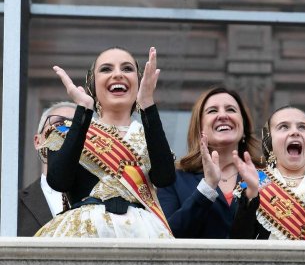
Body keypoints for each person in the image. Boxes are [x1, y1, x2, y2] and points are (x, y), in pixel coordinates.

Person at [35, 46, 175, 238]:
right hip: (84, 234)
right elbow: (59, 181)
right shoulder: (68, 132)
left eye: (127, 69)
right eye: (106, 69)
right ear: (93, 84)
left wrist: (147, 104)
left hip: (140, 233)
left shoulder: (149, 135)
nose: (118, 74)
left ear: (138, 81)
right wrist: (83, 110)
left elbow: (165, 178)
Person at [231, 106, 305, 240]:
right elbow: (237, 245)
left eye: (302, 127)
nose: (295, 132)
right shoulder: (254, 183)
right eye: (283, 127)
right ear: (269, 140)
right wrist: (251, 193)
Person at [157, 86, 262, 238]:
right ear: (199, 129)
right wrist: (207, 187)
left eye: (231, 110)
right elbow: (167, 236)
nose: (223, 115)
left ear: (244, 127)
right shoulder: (175, 179)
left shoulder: (266, 175)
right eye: (212, 111)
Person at [18, 101, 76, 236]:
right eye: (58, 125)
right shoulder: (12, 205)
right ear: (38, 142)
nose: (68, 132)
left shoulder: (103, 204)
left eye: (77, 127)